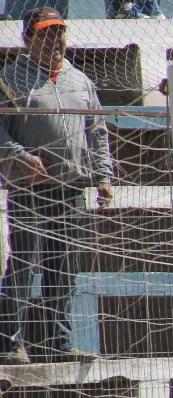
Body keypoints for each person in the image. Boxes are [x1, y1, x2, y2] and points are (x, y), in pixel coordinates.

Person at [0, 7, 110, 364]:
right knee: (24, 266)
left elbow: (97, 130)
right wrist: (20, 157)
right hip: (28, 190)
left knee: (63, 269)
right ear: (27, 39)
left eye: (59, 32)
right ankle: (8, 344)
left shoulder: (81, 81)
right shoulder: (9, 80)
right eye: (46, 34)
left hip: (71, 189)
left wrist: (103, 175)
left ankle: (57, 344)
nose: (54, 41)